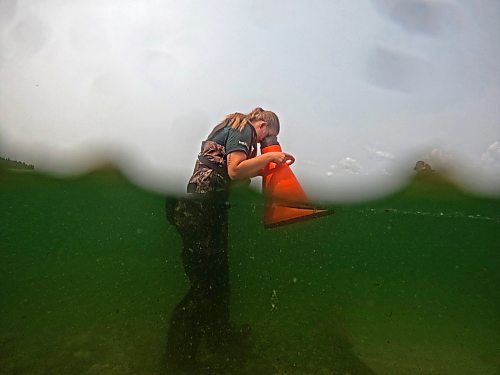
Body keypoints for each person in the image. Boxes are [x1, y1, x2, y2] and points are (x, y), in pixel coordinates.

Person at [164, 107, 294, 372]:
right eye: (267, 136)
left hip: (205, 210)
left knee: (218, 281)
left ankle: (218, 338)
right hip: (201, 210)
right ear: (261, 125)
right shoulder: (242, 128)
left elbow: (233, 175)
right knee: (205, 285)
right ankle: (177, 359)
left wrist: (264, 168)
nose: (262, 143)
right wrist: (274, 156)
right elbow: (235, 172)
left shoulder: (234, 130)